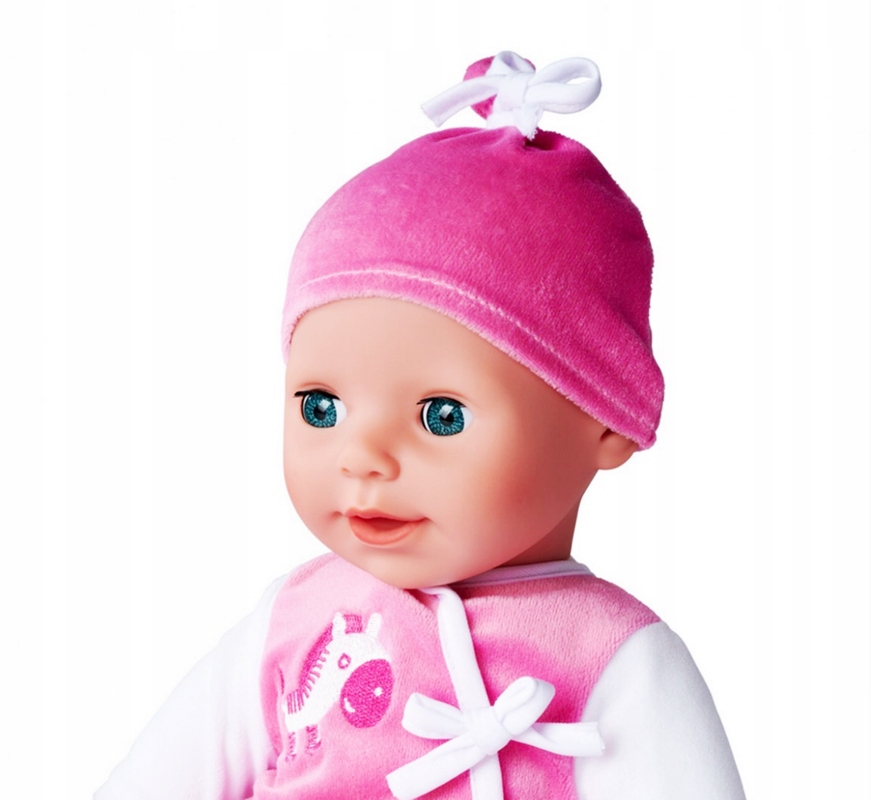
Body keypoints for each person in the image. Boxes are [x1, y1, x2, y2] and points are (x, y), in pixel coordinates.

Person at [96, 51, 745, 799]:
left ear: (606, 420)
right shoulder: (293, 623)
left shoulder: (617, 659)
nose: (363, 456)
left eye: (441, 417)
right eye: (321, 408)